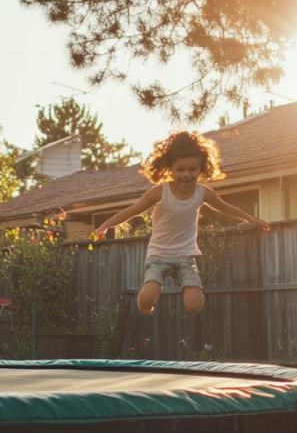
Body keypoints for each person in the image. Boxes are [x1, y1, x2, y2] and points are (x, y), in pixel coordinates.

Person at [93, 130, 271, 317]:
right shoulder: (160, 192)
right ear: (170, 169)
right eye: (180, 170)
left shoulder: (203, 193)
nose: (186, 175)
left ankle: (193, 300)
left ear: (201, 168)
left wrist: (252, 219)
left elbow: (226, 208)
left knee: (193, 305)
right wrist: (105, 225)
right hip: (159, 254)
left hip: (185, 256)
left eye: (192, 169)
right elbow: (132, 210)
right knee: (148, 298)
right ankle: (146, 306)